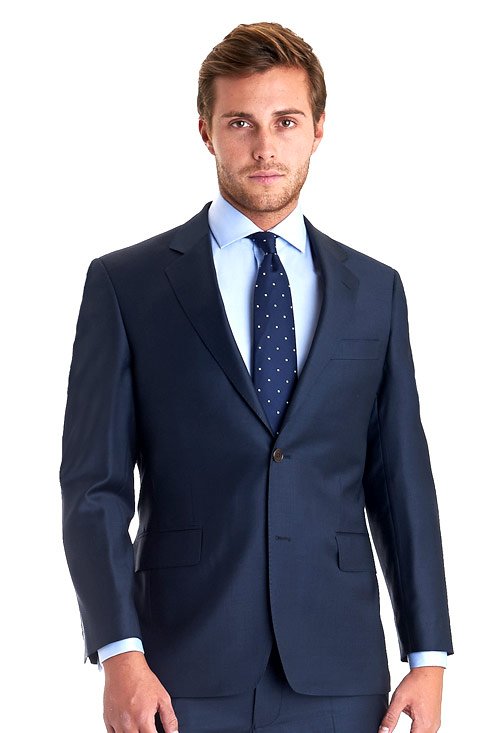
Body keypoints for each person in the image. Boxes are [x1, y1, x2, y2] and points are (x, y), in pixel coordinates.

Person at [60, 21, 453, 733]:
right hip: (177, 668)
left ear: (318, 128)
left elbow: (401, 481)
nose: (265, 147)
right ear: (206, 131)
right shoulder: (128, 285)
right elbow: (94, 487)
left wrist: (427, 656)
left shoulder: (375, 291)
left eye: (286, 121)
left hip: (339, 669)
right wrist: (119, 652)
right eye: (240, 122)